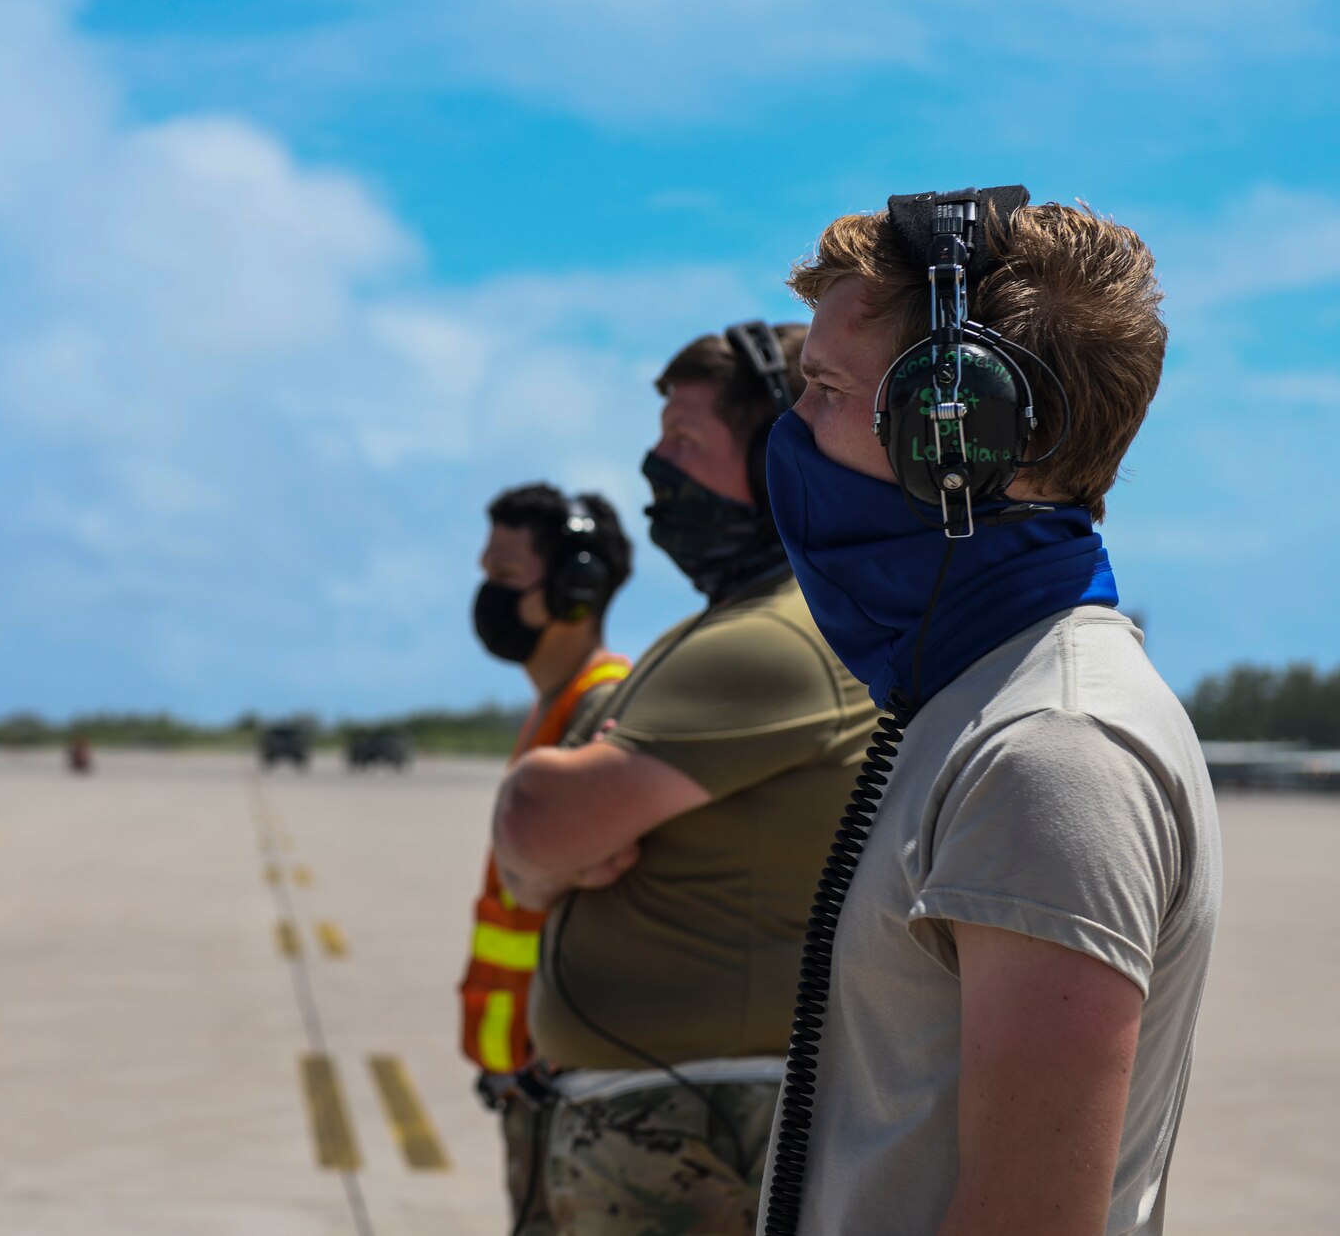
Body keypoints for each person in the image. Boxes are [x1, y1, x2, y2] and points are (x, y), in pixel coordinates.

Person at [754, 190, 1221, 1236]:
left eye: (825, 387)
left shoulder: (1051, 753)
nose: (790, 430)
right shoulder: (974, 703)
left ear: (951, 436)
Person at [489, 323, 877, 1235]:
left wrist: (551, 846)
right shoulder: (727, 628)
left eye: (685, 440)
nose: (655, 464)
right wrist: (548, 851)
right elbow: (530, 858)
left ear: (781, 455)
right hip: (666, 1111)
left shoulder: (777, 638)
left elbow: (535, 823)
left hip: (693, 1126)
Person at [460, 483, 635, 1236]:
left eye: (505, 573)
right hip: (529, 1081)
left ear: (575, 588)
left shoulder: (602, 709)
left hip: (561, 1084)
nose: (487, 593)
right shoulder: (549, 706)